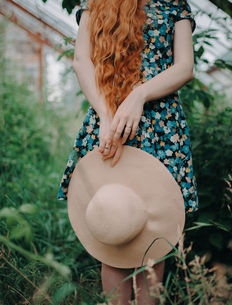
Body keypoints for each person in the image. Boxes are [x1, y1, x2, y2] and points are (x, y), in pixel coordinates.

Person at [57, 0, 199, 304]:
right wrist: (106, 116)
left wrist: (139, 95)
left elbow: (185, 67)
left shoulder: (174, 4)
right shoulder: (94, 2)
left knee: (154, 238)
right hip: (108, 122)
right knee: (113, 230)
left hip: (161, 129)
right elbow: (82, 61)